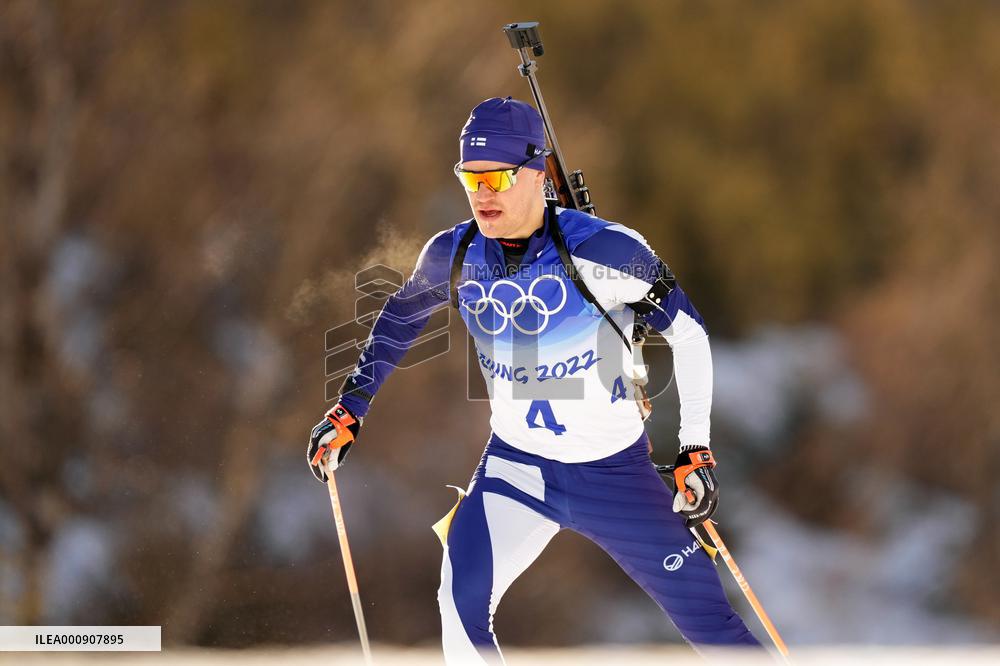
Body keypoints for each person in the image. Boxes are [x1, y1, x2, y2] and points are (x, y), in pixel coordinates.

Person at [307, 96, 762, 663]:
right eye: (469, 177)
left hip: (617, 477)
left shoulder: (605, 249)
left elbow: (689, 335)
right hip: (517, 469)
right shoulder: (455, 254)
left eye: (496, 176)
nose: (482, 193)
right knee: (459, 602)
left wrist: (694, 447)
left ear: (536, 171)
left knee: (713, 629)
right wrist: (350, 411)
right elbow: (399, 321)